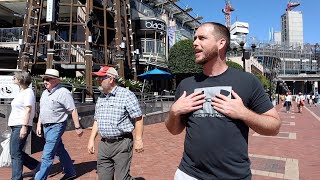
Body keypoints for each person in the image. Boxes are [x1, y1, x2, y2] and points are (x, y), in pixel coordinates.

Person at [165, 22, 281, 179]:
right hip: (189, 174)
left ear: (221, 43)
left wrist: (243, 113)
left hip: (233, 176)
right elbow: (174, 130)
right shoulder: (186, 84)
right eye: (194, 38)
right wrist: (174, 112)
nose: (195, 43)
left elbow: (274, 126)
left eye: (202, 38)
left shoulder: (247, 81)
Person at [87, 66, 144, 180]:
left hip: (122, 143)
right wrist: (91, 139)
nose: (97, 80)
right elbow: (97, 120)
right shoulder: (101, 97)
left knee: (122, 178)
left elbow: (138, 118)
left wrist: (138, 140)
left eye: (101, 77)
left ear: (111, 79)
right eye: (97, 77)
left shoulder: (126, 95)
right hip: (104, 144)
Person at [35, 69, 83, 180]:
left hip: (56, 126)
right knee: (59, 150)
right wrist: (38, 125)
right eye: (44, 79)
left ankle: (39, 178)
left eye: (48, 79)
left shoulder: (63, 92)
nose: (45, 81)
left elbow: (73, 110)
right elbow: (42, 110)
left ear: (56, 80)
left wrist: (77, 127)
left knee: (47, 155)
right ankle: (70, 172)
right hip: (46, 126)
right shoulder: (44, 93)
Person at [8, 71, 40, 180]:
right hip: (16, 125)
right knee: (15, 151)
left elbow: (28, 110)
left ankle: (16, 178)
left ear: (21, 79)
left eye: (15, 76)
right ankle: (36, 166)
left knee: (15, 153)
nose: (13, 78)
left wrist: (24, 127)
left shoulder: (28, 92)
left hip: (21, 125)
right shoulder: (21, 92)